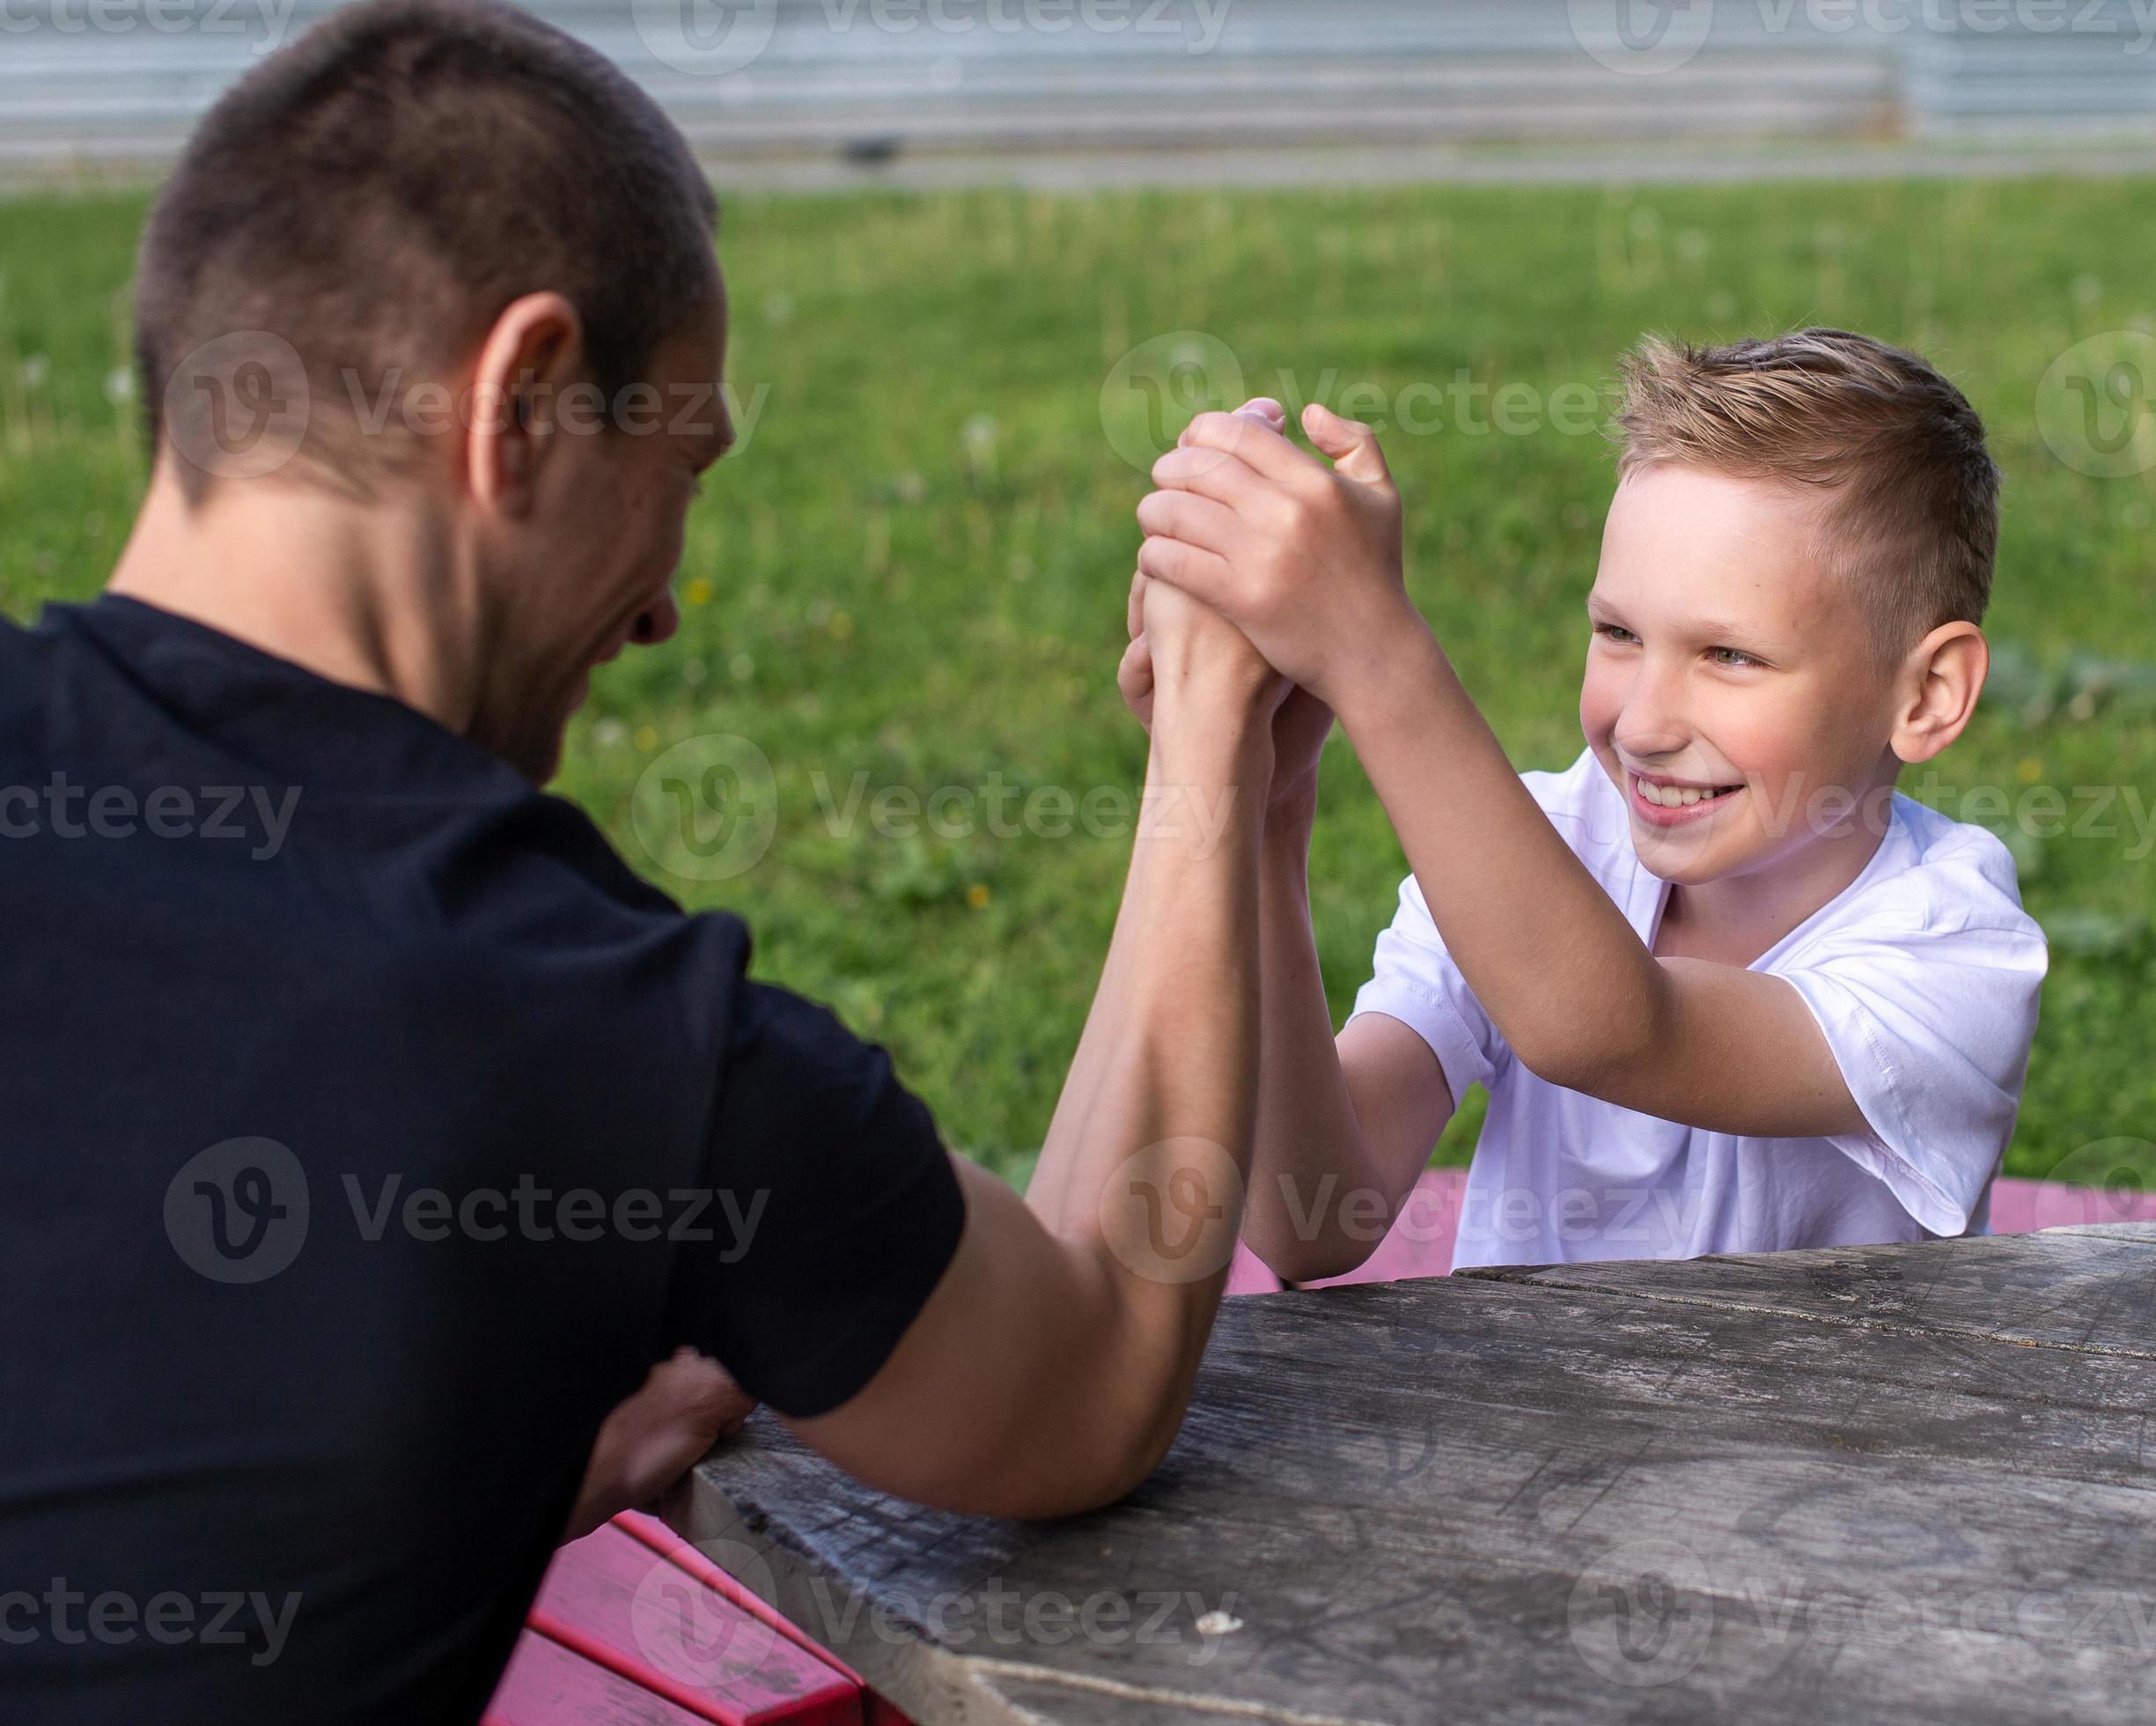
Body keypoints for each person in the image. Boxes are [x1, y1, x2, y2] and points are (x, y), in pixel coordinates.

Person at [0, 2, 1291, 1718]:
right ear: (522, 400)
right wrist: (1208, 725)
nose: (669, 604)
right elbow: (1090, 1373)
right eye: (678, 462)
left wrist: (428, 1453)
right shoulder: (588, 1031)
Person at [1123, 334, 2048, 1280]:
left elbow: (1606, 1029)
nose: (1642, 724)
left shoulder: (1956, 946)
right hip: (1532, 1424)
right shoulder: (1540, 842)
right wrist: (1268, 809)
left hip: (1821, 1432)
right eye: (1616, 632)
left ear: (1928, 693)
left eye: (1729, 655)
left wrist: (1372, 649)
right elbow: (1311, 1219)